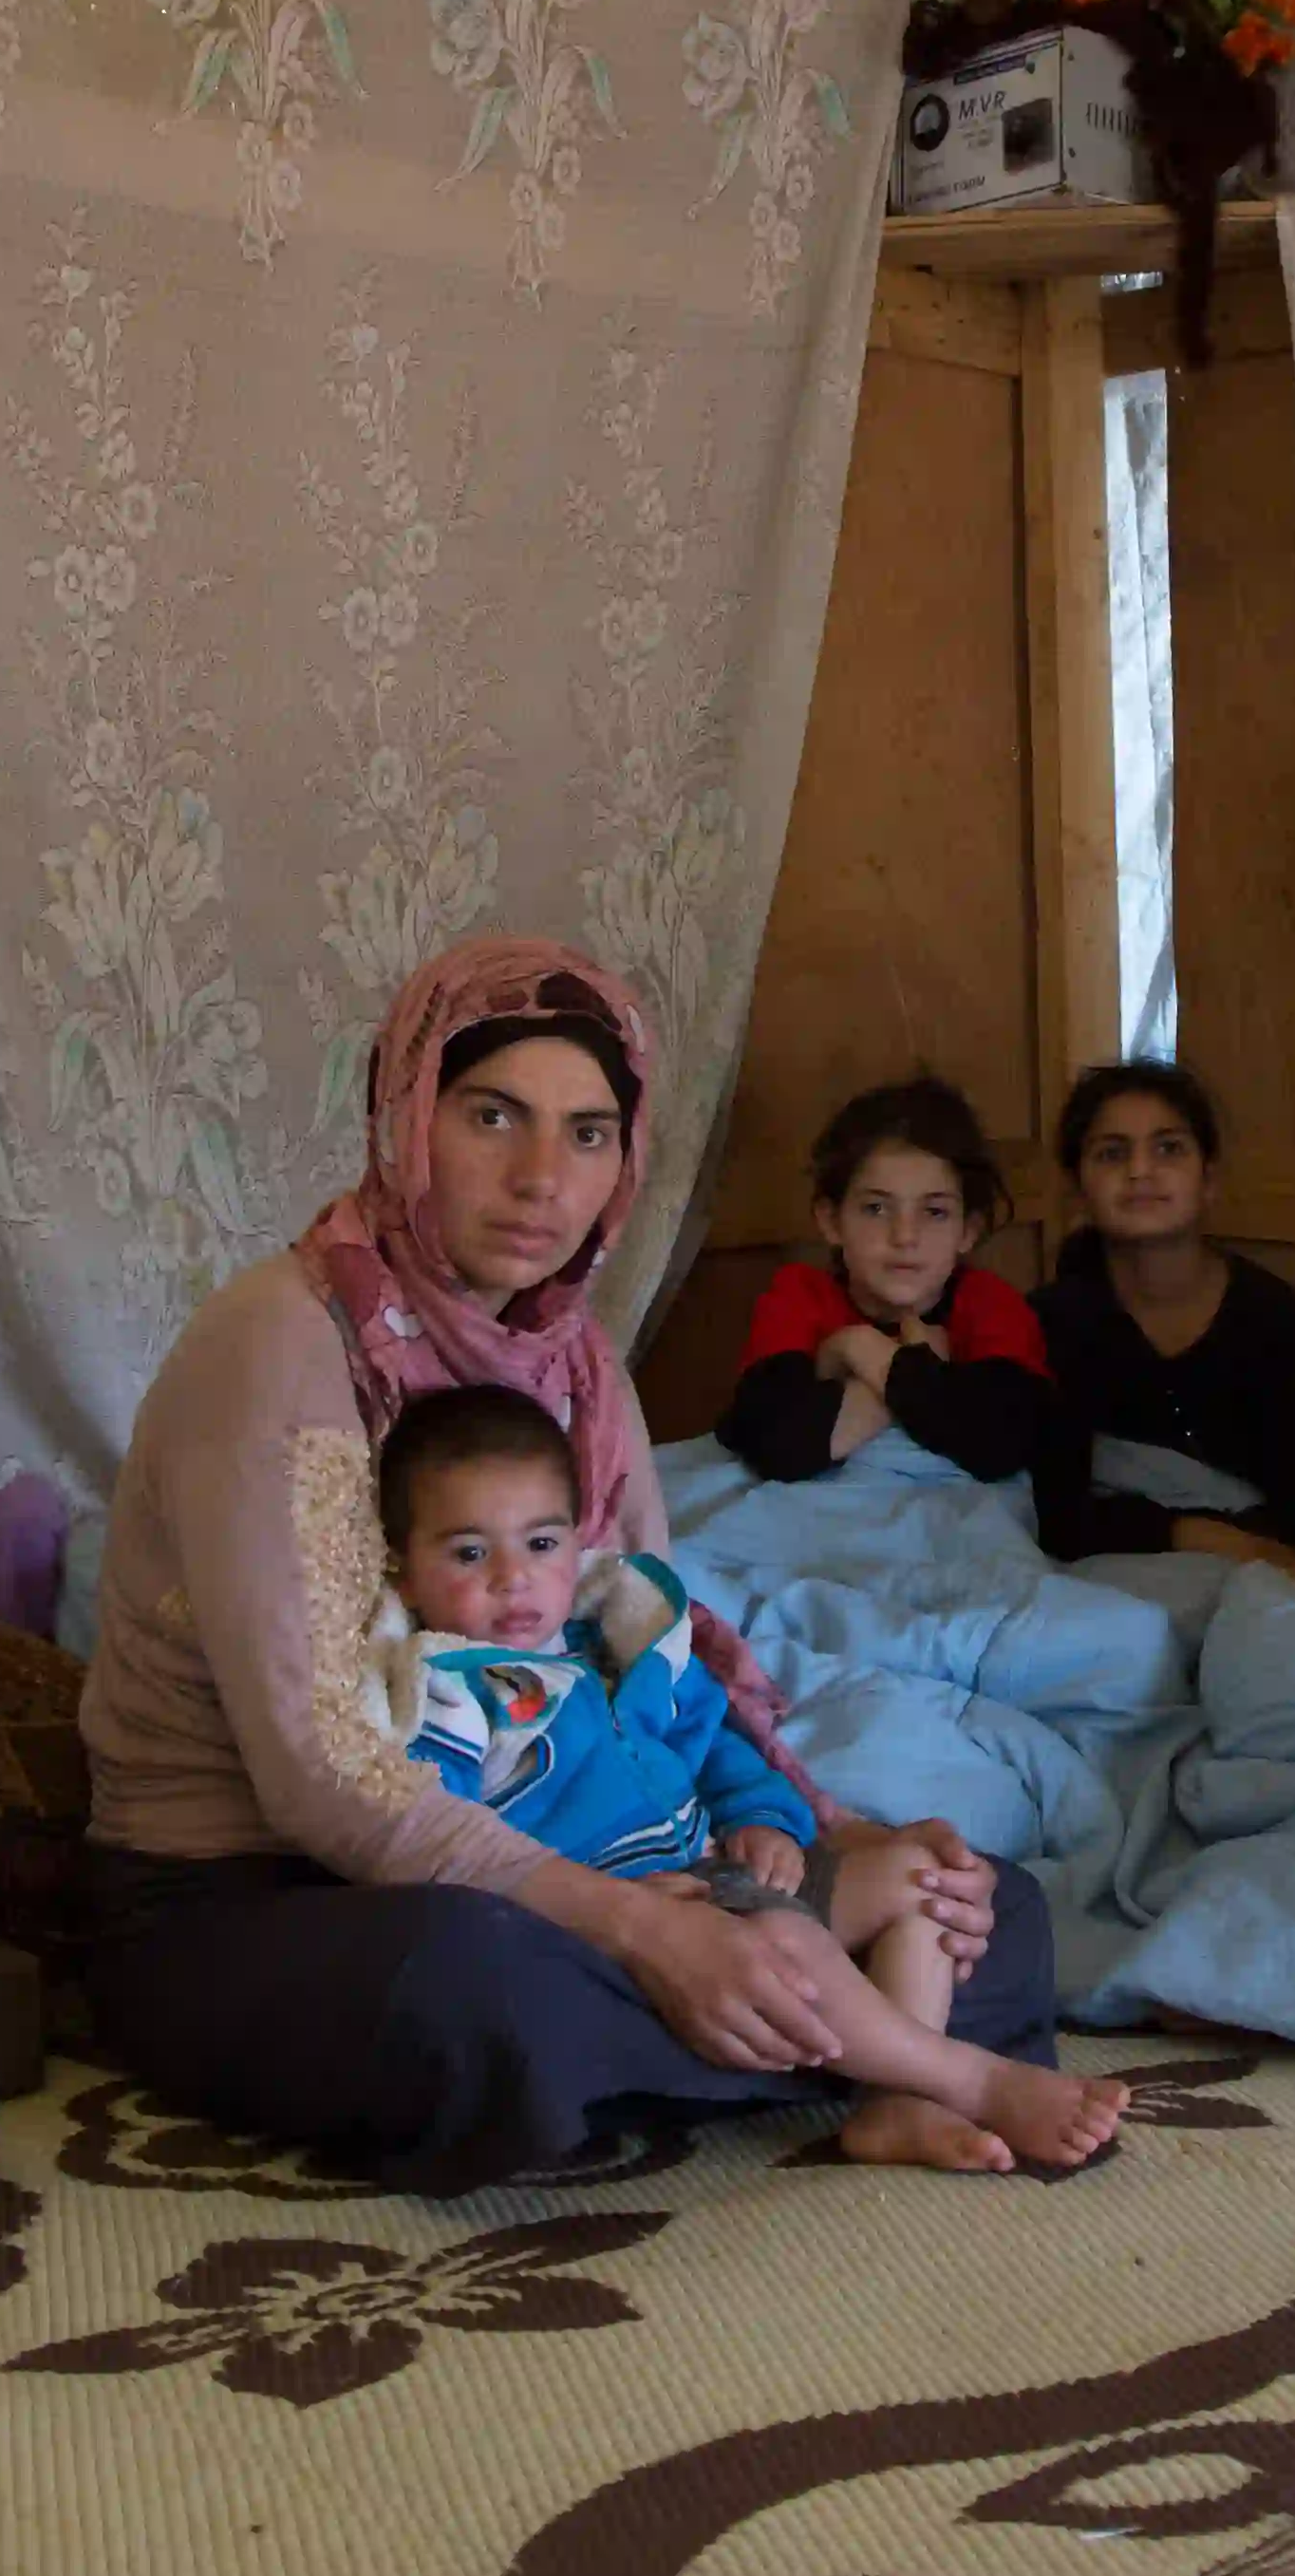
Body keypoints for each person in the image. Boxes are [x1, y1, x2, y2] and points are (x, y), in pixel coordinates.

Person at [77, 937, 1083, 2194]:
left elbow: (646, 1660)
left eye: (591, 1132)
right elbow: (324, 1774)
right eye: (493, 1114)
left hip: (569, 1846)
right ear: (407, 1117)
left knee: (983, 1898)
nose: (543, 1177)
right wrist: (646, 1927)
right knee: (467, 1990)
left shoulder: (573, 1365)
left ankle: (793, 2034)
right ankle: (863, 2042)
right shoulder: (284, 1341)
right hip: (261, 1897)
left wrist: (821, 1843)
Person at [369, 1383, 1120, 2171]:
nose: (514, 1578)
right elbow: (445, 1841)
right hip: (602, 1920)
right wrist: (607, 1906)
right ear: (407, 1573)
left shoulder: (619, 1643)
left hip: (719, 1873)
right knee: (783, 1938)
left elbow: (720, 1745)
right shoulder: (449, 1694)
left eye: (542, 1544)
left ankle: (895, 2103)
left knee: (924, 1874)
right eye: (469, 1552)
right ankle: (970, 2077)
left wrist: (763, 1816)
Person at [1030, 1059, 1295, 1577]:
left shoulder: (1280, 1322)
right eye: (1111, 1153)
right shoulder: (1048, 1324)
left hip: (1268, 1581)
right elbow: (1052, 1511)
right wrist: (1195, 1535)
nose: (1139, 1170)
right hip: (1110, 1580)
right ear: (1078, 1190)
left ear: (1209, 1179)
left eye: (1168, 1148)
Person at [715, 1074, 1064, 1489]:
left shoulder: (991, 1305)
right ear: (831, 1220)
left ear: (968, 1230)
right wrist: (903, 1360)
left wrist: (862, 1357)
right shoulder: (799, 1295)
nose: (904, 1237)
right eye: (876, 1208)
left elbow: (1001, 1446)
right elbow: (774, 1446)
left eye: (934, 1212)